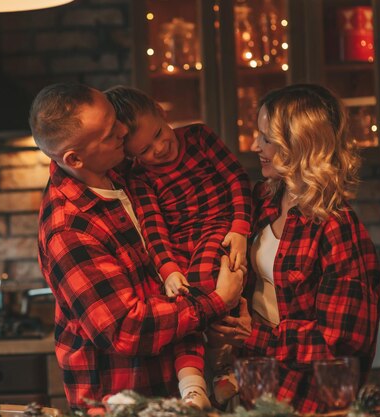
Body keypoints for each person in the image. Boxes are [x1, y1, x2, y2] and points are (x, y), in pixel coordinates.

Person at [30, 82, 246, 410]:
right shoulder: (69, 229)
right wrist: (216, 301)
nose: (122, 130)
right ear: (74, 158)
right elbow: (125, 328)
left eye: (115, 117)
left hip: (181, 392)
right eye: (108, 132)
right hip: (125, 401)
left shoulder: (124, 168)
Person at [209, 83, 380, 413]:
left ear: (301, 143)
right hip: (250, 389)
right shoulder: (262, 199)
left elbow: (340, 344)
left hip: (307, 400)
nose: (255, 145)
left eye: (267, 138)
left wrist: (254, 336)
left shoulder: (336, 225)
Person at [104, 86, 252, 408]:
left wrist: (240, 229)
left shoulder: (200, 138)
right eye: (144, 149)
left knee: (203, 290)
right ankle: (194, 387)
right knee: (180, 305)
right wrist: (168, 269)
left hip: (218, 230)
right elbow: (153, 229)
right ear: (131, 155)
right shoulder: (140, 177)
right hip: (178, 246)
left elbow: (237, 180)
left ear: (162, 112)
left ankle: (222, 371)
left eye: (159, 133)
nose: (159, 148)